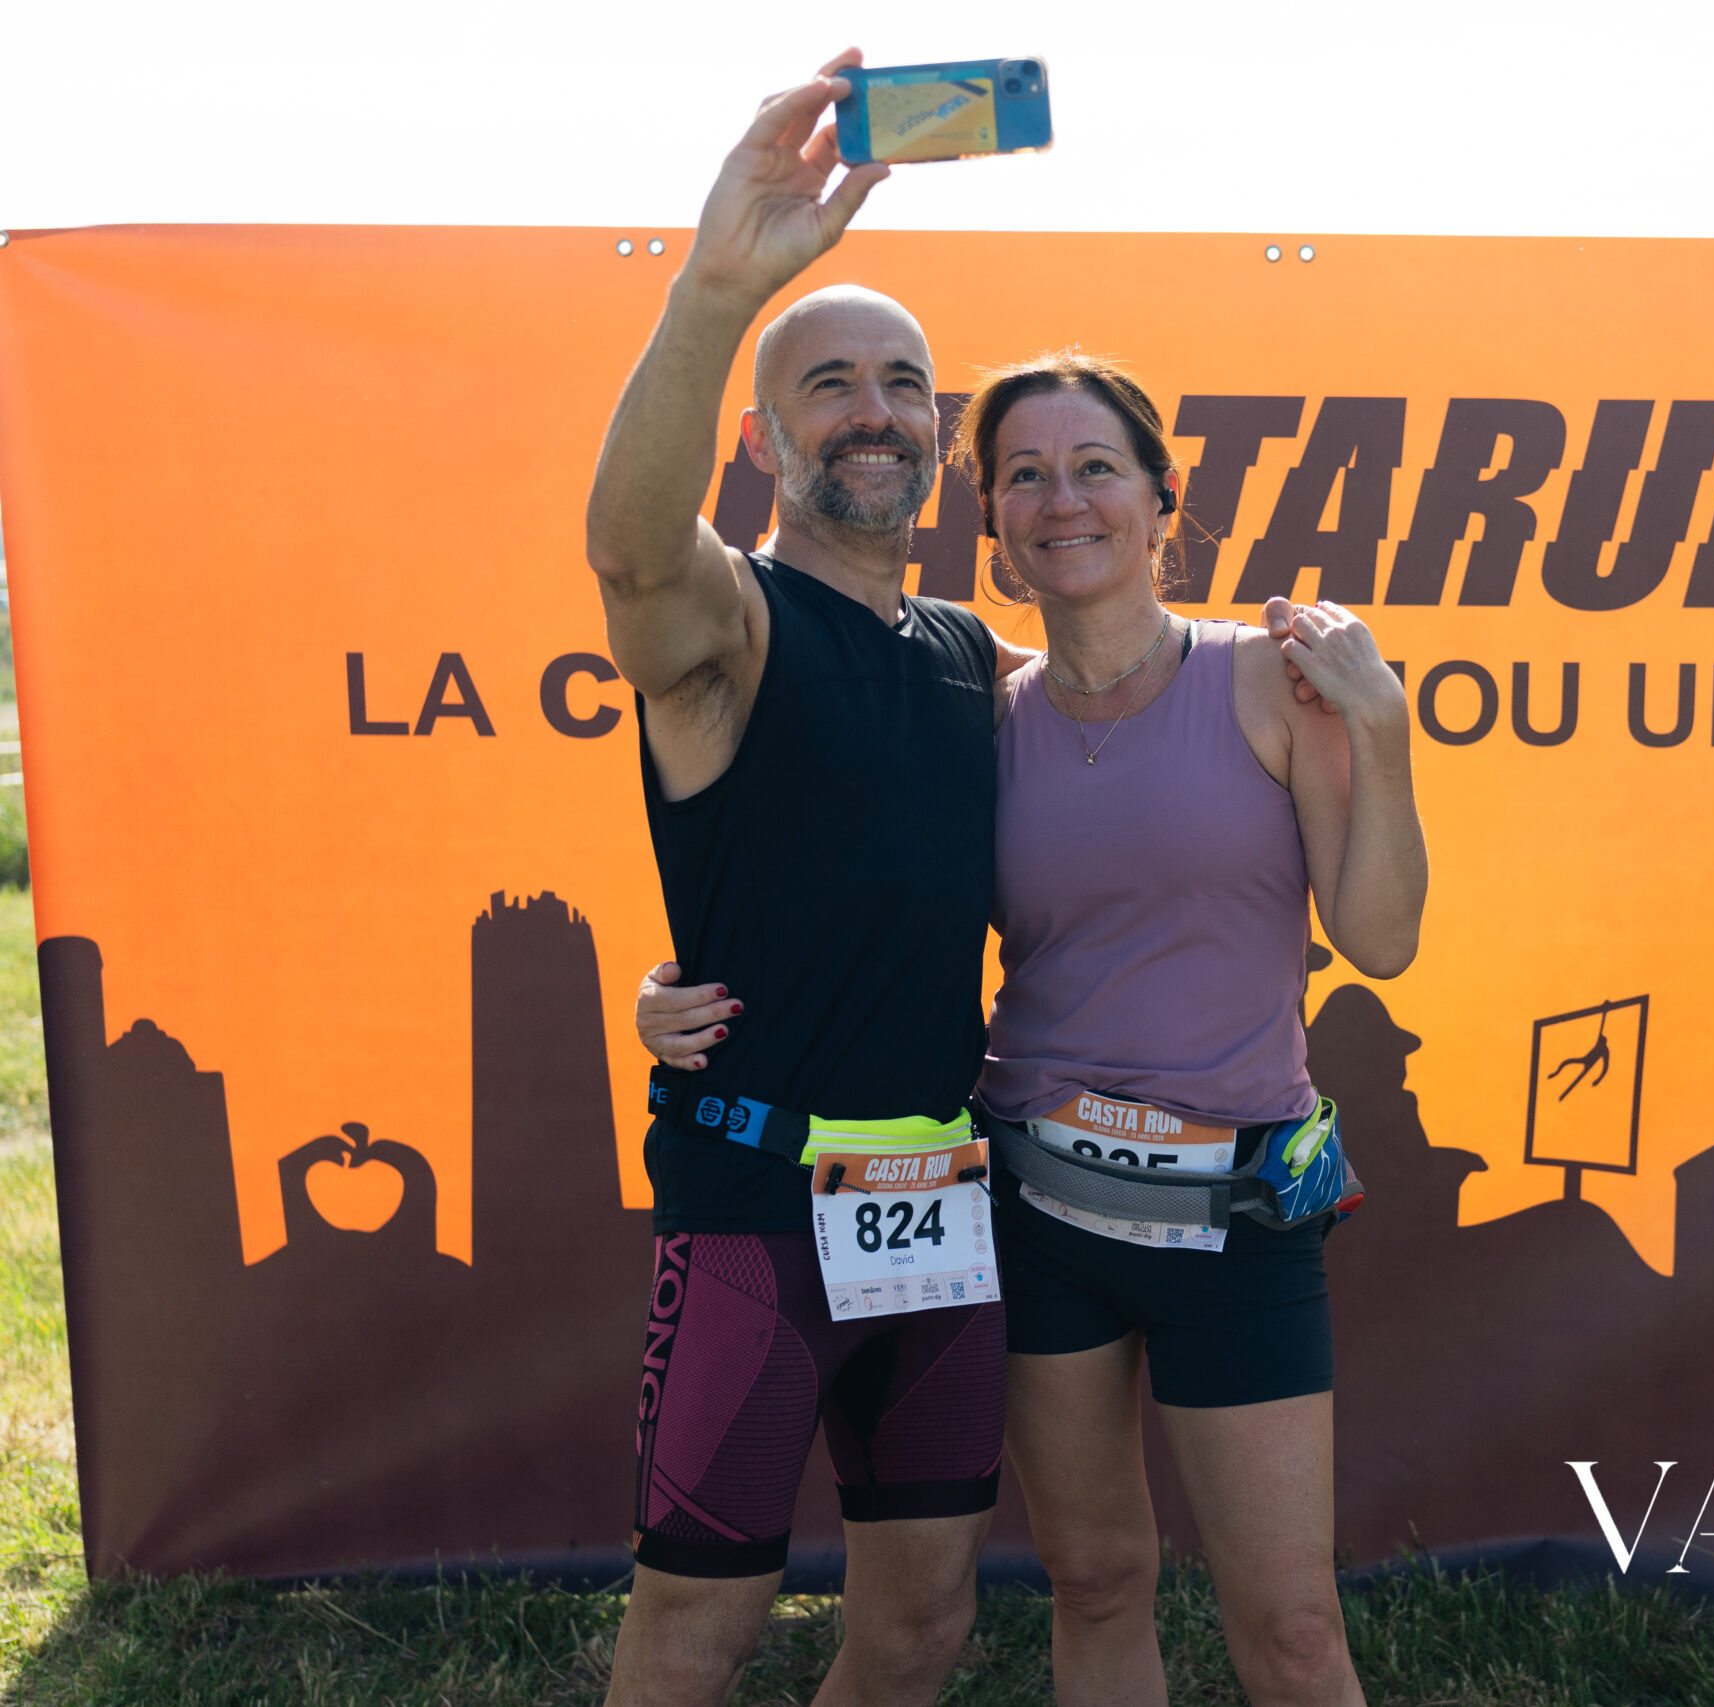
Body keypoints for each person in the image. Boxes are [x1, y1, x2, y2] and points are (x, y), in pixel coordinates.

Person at [640, 350, 1427, 1707]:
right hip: (1032, 1212)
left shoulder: (1272, 680)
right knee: (1098, 1581)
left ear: (1161, 497)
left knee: (1297, 1633)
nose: (1064, 500)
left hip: (1238, 1218)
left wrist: (1385, 727)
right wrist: (679, 982)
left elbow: (1384, 939)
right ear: (992, 520)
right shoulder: (978, 704)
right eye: (1025, 476)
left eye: (1096, 467)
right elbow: (822, 865)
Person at [584, 46, 1034, 1707]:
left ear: (939, 430)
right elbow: (632, 551)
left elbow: (1138, 707)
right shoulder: (732, 627)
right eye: (831, 384)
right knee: (695, 1637)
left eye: (904, 384)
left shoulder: (972, 654)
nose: (874, 410)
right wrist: (718, 289)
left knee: (921, 1631)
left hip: (940, 1205)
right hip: (756, 1211)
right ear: (766, 436)